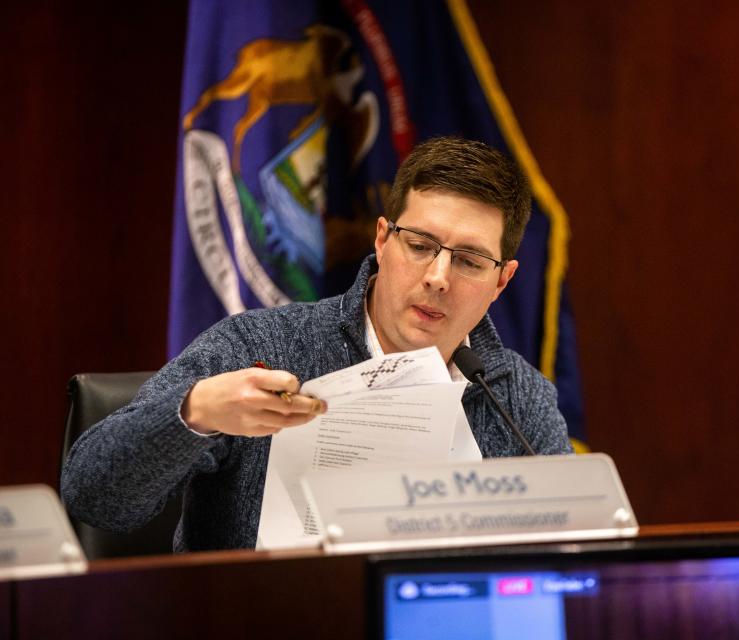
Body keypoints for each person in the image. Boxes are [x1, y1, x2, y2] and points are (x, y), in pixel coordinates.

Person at [62, 136, 572, 552]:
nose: (438, 277)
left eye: (468, 260)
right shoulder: (261, 346)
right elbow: (94, 496)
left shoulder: (518, 398)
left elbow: (574, 551)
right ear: (382, 240)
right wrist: (194, 412)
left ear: (501, 281)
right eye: (420, 246)